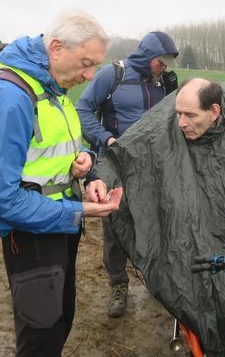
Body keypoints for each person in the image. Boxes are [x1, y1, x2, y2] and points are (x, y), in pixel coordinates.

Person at [0, 11, 123, 357]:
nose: (90, 75)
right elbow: (0, 200)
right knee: (40, 335)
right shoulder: (9, 96)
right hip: (31, 234)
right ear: (55, 47)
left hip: (59, 225)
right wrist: (80, 209)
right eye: (85, 62)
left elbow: (55, 147)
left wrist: (86, 168)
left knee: (61, 320)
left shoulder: (53, 85)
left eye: (96, 65)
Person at [88, 77, 225, 357]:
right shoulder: (167, 123)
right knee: (184, 279)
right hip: (181, 226)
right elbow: (120, 155)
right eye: (178, 113)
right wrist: (100, 180)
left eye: (190, 116)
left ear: (214, 112)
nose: (181, 123)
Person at [76, 31, 178, 318]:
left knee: (158, 223)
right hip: (117, 164)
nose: (165, 66)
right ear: (148, 56)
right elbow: (82, 109)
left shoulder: (164, 82)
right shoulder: (113, 75)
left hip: (153, 167)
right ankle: (118, 284)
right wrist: (105, 138)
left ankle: (158, 282)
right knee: (116, 226)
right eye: (162, 60)